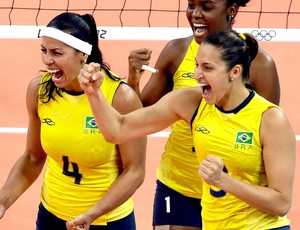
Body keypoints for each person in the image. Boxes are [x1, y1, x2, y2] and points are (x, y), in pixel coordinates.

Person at [78, 30, 295, 230]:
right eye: (197, 65)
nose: (197, 74)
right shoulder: (191, 101)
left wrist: (223, 181)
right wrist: (93, 94)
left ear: (235, 72)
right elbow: (117, 130)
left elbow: (281, 202)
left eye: (208, 68)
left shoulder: (270, 119)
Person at [127, 0, 280, 229]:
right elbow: (141, 114)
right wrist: (133, 78)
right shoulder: (177, 51)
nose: (195, 14)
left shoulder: (259, 64)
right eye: (191, 5)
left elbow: (269, 136)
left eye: (206, 8)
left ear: (231, 11)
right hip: (178, 185)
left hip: (232, 196)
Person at [0, 12, 146, 230]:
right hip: (51, 216)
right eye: (44, 50)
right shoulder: (39, 90)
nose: (47, 61)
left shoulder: (120, 97)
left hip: (106, 221)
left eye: (57, 53)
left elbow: (134, 171)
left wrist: (91, 214)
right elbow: (32, 157)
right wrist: (2, 202)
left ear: (83, 54)